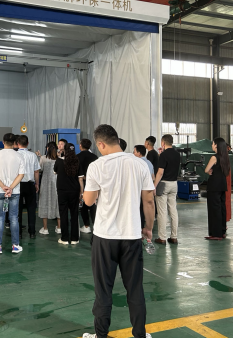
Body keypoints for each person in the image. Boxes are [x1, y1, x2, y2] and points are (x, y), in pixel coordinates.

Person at [82, 125, 155, 339]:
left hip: (105, 237)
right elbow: (149, 201)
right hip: (131, 235)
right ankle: (140, 334)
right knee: (135, 289)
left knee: (103, 290)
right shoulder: (140, 164)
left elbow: (88, 201)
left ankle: (101, 335)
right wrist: (148, 227)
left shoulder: (97, 166)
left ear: (101, 144)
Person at [0, 133, 25, 255]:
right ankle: (15, 245)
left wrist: (3, 186)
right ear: (15, 143)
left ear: (3, 141)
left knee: (0, 218)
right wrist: (11, 188)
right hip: (14, 192)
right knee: (14, 218)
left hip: (0, 191)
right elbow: (21, 174)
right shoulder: (19, 156)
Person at [153, 134, 181, 246]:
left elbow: (160, 172)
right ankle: (174, 237)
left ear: (163, 143)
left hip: (163, 184)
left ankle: (162, 237)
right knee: (173, 210)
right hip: (174, 184)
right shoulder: (177, 154)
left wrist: (154, 186)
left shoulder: (164, 155)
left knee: (162, 212)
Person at [54, 143, 84, 245]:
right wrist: (81, 192)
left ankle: (65, 238)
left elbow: (55, 171)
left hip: (62, 190)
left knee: (63, 213)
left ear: (64, 150)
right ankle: (75, 238)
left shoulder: (59, 161)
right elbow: (80, 179)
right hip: (74, 190)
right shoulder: (77, 161)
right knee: (74, 214)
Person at [205, 138, 231, 241]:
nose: (212, 145)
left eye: (213, 144)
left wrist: (209, 171)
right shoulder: (225, 157)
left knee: (214, 209)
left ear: (216, 145)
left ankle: (215, 234)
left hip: (214, 185)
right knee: (221, 208)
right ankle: (222, 231)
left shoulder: (214, 157)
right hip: (222, 185)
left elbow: (206, 169)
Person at [17, 135, 40, 239]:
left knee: (18, 209)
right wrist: (37, 184)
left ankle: (18, 232)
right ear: (28, 143)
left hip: (18, 184)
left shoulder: (15, 155)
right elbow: (36, 171)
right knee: (31, 208)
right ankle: (32, 232)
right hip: (30, 184)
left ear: (18, 144)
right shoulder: (33, 155)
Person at [38, 145, 61, 235]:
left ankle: (45, 228)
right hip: (57, 183)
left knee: (44, 202)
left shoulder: (43, 158)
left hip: (45, 183)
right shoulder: (60, 159)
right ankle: (59, 227)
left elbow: (40, 169)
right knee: (58, 203)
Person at [78, 139, 98, 234]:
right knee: (93, 205)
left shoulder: (77, 157)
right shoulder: (95, 157)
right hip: (93, 183)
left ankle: (86, 226)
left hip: (81, 183)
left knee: (83, 205)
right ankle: (96, 226)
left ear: (80, 145)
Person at [133, 145, 155, 230]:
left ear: (139, 153)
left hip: (138, 190)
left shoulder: (136, 163)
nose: (133, 154)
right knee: (145, 207)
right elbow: (153, 177)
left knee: (138, 209)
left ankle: (139, 227)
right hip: (147, 189)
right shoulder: (149, 163)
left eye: (134, 152)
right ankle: (144, 227)